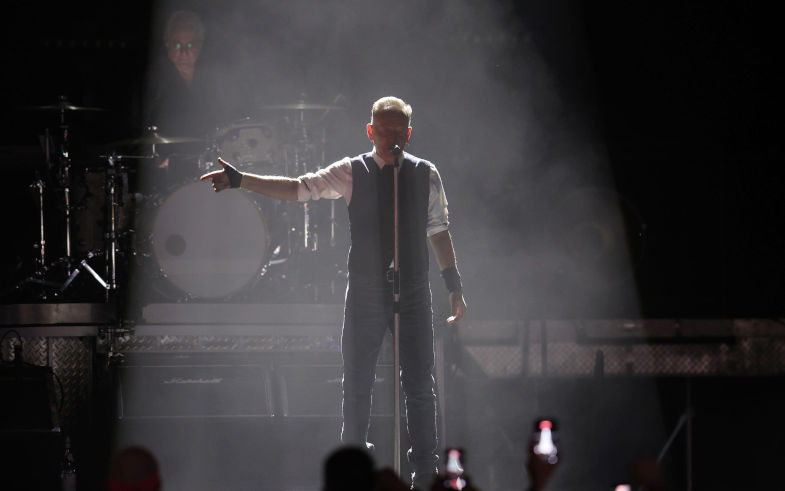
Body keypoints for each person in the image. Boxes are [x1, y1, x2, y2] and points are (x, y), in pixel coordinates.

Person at [201, 96, 467, 489]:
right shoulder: (351, 171)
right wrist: (243, 180)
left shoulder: (425, 173)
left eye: (398, 130)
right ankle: (353, 472)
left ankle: (424, 476)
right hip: (365, 290)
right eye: (382, 128)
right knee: (357, 384)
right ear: (369, 130)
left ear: (408, 133)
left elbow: (438, 230)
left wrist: (454, 286)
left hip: (411, 290)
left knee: (419, 385)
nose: (390, 136)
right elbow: (298, 188)